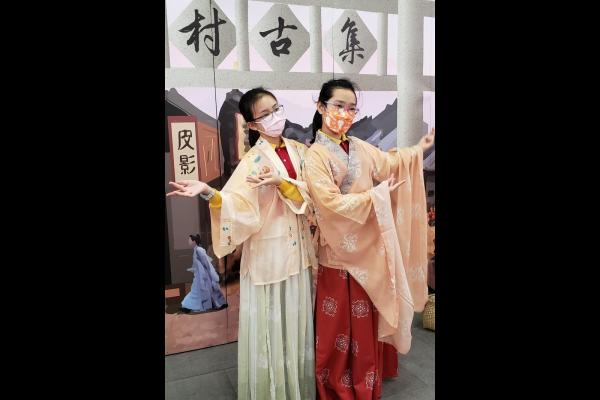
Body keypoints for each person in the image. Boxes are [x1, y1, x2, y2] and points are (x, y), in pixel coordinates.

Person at [167, 88, 317, 399]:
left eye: (276, 108)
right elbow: (236, 204)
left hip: (299, 251)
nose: (274, 117)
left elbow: (314, 193)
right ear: (252, 125)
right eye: (265, 114)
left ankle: (297, 388)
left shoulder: (300, 151)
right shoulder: (252, 161)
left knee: (296, 320)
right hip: (268, 256)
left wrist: (284, 184)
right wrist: (209, 192)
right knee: (271, 326)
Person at [303, 79, 435, 399]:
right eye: (338, 106)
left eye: (351, 108)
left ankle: (366, 376)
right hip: (338, 249)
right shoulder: (315, 155)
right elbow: (328, 204)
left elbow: (389, 163)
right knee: (339, 322)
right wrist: (376, 197)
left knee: (366, 315)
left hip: (369, 246)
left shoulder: (360, 147)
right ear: (321, 107)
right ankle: (336, 381)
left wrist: (418, 150)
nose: (345, 114)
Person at [180, 234, 227, 313]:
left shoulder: (199, 250)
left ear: (194, 241)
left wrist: (211, 274)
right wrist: (193, 269)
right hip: (199, 275)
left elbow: (206, 263)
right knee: (199, 291)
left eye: (189, 240)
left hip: (203, 275)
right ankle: (188, 305)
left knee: (204, 291)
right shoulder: (196, 250)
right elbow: (198, 264)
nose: (188, 242)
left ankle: (187, 305)